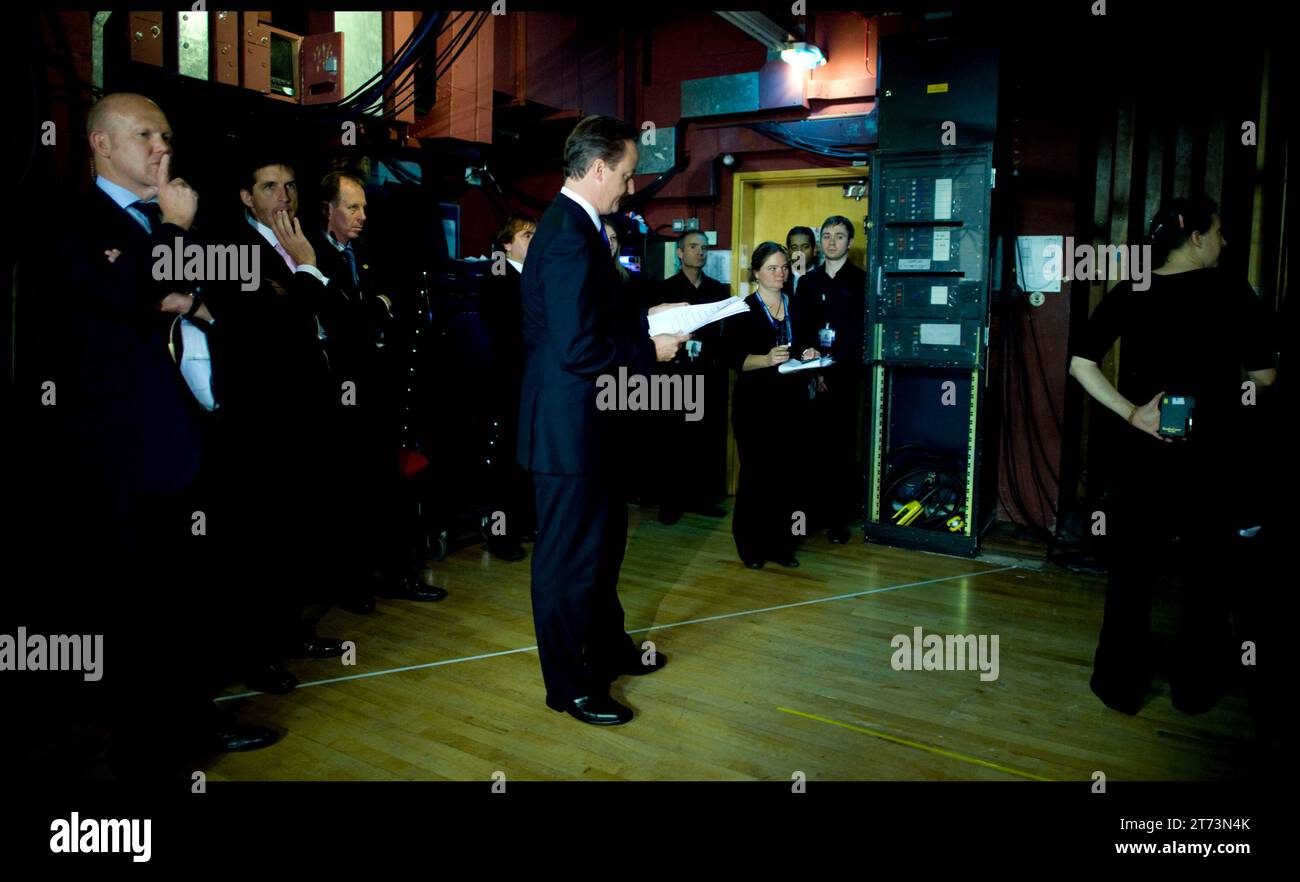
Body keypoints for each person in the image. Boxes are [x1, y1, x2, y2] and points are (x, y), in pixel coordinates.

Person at [28, 92, 276, 778]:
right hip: (119, 454)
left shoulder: (184, 222)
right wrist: (169, 240)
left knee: (186, 600)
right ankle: (148, 751)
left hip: (188, 437)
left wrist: (181, 290)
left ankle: (196, 722)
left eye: (165, 135)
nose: (162, 147)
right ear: (102, 145)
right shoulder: (73, 222)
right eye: (145, 135)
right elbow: (121, 299)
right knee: (133, 609)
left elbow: (230, 300)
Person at [1068, 195, 1276, 716]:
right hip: (1212, 458)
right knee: (1206, 575)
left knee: (1131, 573)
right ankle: (1194, 690)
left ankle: (1118, 686)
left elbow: (1079, 363)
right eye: (1221, 231)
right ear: (1198, 237)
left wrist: (1133, 411)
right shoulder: (1232, 290)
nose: (1225, 242)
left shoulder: (1132, 289)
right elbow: (1264, 377)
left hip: (1142, 455)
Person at [518, 115, 688, 726]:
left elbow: (596, 320)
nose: (630, 182)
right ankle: (568, 686)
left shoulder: (582, 228)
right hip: (566, 436)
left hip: (592, 426)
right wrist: (651, 350)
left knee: (604, 547)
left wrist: (651, 315)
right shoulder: (567, 234)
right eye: (624, 171)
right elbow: (577, 350)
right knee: (567, 563)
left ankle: (609, 650)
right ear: (596, 170)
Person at [202, 156, 350, 694]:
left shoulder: (302, 239)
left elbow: (331, 314)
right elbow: (272, 325)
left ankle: (289, 634)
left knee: (293, 530)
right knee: (256, 541)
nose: (282, 196)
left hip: (304, 408)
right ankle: (255, 654)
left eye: (289, 185)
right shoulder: (231, 249)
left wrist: (308, 274)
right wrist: (307, 268)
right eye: (269, 186)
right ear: (246, 196)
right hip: (258, 415)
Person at [311, 170, 449, 609]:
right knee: (346, 495)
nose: (363, 216)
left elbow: (389, 310)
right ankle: (351, 585)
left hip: (377, 390)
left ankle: (396, 575)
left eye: (364, 207)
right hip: (335, 395)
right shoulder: (311, 258)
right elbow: (343, 321)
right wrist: (368, 312)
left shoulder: (368, 254)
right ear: (327, 210)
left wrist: (370, 312)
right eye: (353, 207)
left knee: (388, 487)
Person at [724, 242, 817, 569]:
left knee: (788, 478)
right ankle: (751, 547)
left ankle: (782, 545)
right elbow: (731, 358)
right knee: (756, 477)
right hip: (755, 408)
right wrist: (765, 359)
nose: (780, 274)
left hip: (791, 407)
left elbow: (807, 343)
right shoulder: (742, 309)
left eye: (784, 268)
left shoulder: (798, 305)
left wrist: (810, 354)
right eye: (772, 268)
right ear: (756, 273)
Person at [794, 215, 868, 544]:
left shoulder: (861, 281)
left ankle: (839, 520)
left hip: (846, 378)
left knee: (840, 451)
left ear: (850, 242)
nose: (832, 241)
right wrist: (817, 369)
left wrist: (834, 369)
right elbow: (801, 329)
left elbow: (860, 334)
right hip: (812, 378)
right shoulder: (808, 283)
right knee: (811, 450)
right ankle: (813, 516)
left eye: (839, 236)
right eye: (826, 235)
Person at [649, 230, 730, 523]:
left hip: (707, 373)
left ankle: (703, 498)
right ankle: (670, 504)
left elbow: (723, 333)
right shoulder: (663, 289)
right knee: (671, 440)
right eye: (693, 247)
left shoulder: (717, 290)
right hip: (673, 374)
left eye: (704, 248)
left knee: (705, 438)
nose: (700, 252)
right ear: (680, 253)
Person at [478, 215, 538, 561]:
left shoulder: (528, 277)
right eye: (526, 235)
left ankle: (522, 523)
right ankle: (501, 536)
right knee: (506, 465)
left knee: (524, 462)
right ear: (506, 243)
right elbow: (509, 336)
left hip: (526, 383)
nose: (533, 240)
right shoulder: (498, 276)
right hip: (507, 385)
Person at [785, 225, 818, 299]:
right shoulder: (780, 277)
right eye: (794, 247)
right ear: (788, 252)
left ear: (815, 249)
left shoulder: (825, 278)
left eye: (805, 247)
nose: (799, 252)